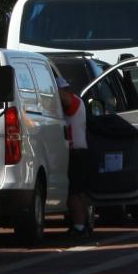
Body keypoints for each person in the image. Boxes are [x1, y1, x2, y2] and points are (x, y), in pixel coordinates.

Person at [58, 76, 93, 237]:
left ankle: (80, 227)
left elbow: (65, 100)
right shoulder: (76, 102)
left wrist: (52, 92)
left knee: (74, 193)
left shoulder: (74, 102)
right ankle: (84, 223)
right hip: (78, 152)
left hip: (77, 153)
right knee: (79, 192)